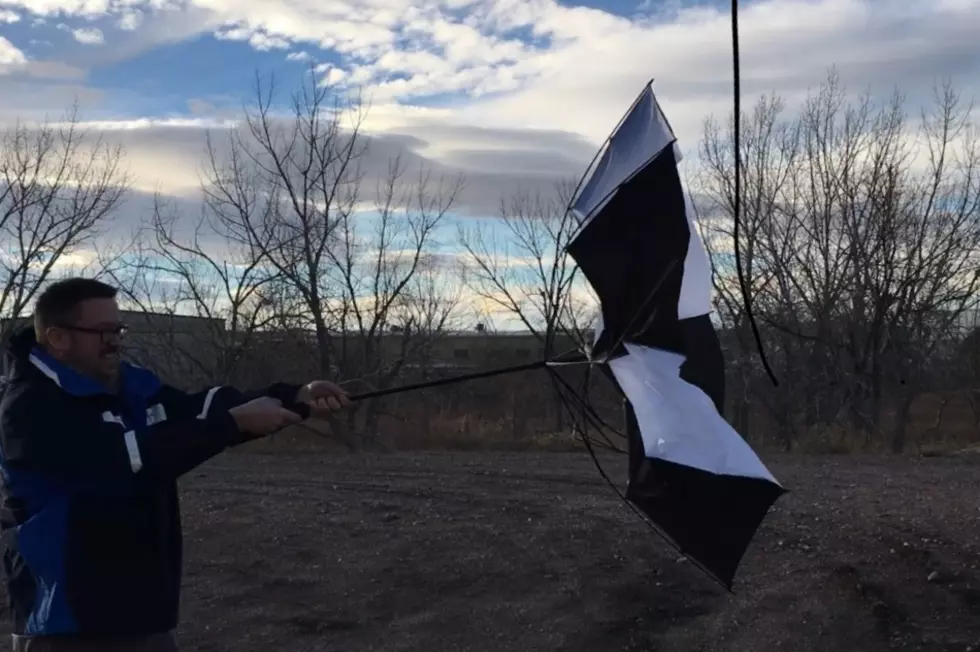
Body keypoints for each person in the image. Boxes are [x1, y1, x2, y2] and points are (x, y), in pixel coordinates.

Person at [0, 278, 352, 651]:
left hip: (144, 614)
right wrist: (232, 425)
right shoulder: (28, 408)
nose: (116, 341)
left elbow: (192, 411)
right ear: (57, 338)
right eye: (103, 331)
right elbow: (125, 462)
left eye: (118, 329)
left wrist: (291, 395)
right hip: (67, 624)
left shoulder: (128, 386)